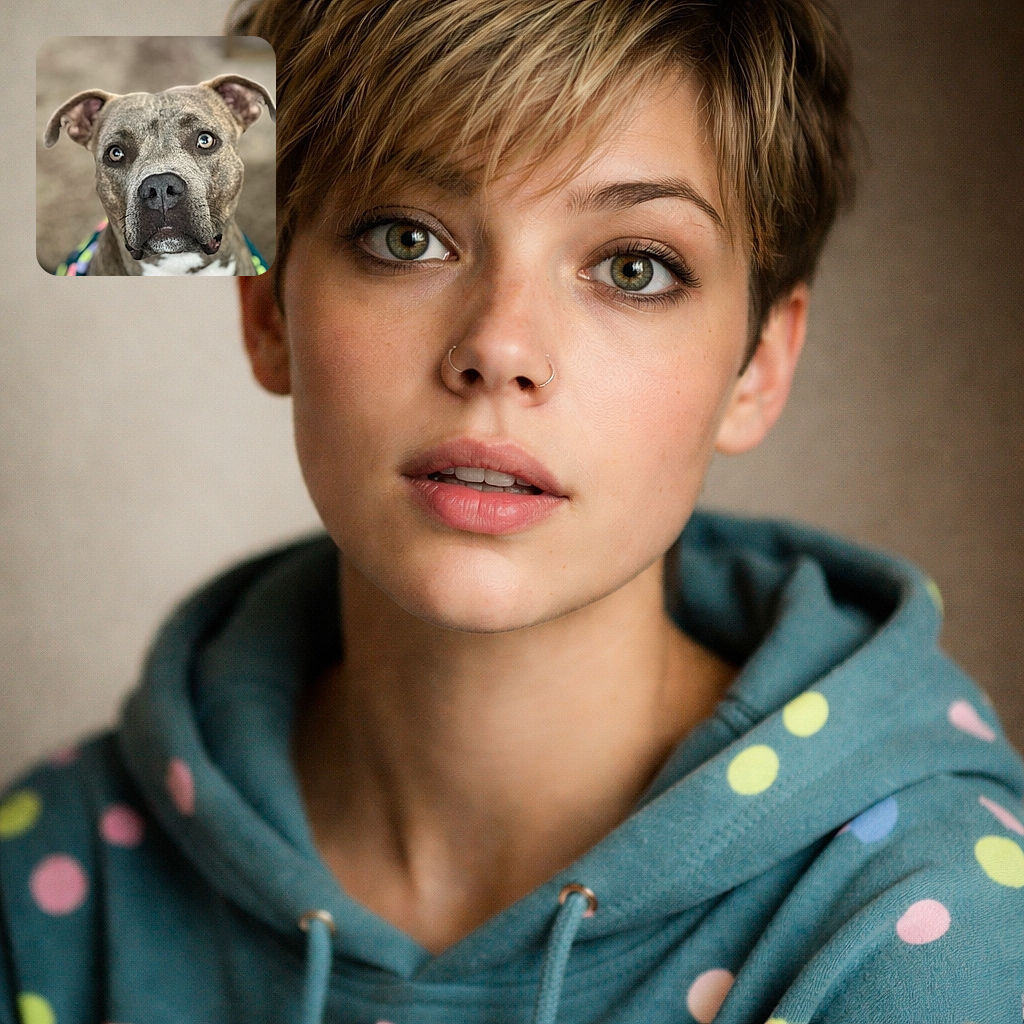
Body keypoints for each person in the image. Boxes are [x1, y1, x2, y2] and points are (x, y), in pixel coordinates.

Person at [2, 1, 1022, 1021]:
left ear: (760, 364)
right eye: (405, 237)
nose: (500, 345)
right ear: (268, 309)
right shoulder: (38, 883)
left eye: (633, 267)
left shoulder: (933, 932)